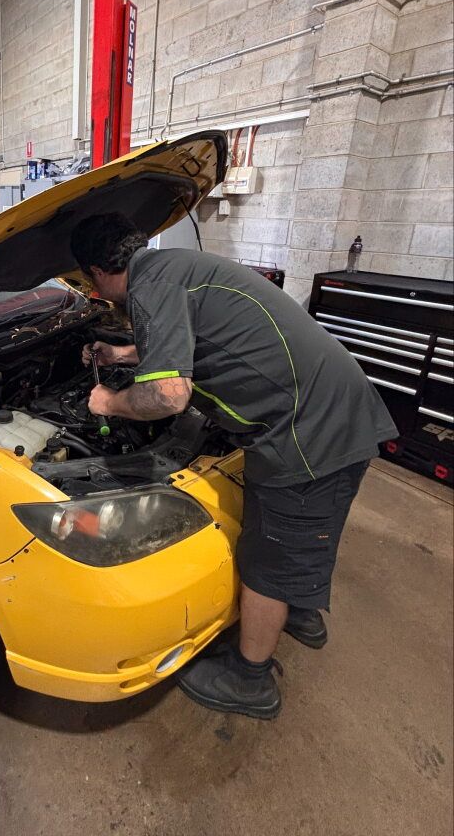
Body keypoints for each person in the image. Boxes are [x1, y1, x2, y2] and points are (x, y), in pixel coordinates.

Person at [69, 213, 397, 720]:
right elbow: (191, 332)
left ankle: (250, 680)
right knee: (302, 532)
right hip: (332, 409)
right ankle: (302, 615)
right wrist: (123, 352)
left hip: (309, 431)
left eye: (90, 283)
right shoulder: (172, 266)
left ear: (98, 271)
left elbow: (169, 394)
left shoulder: (149, 288)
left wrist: (109, 405)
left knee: (269, 555)